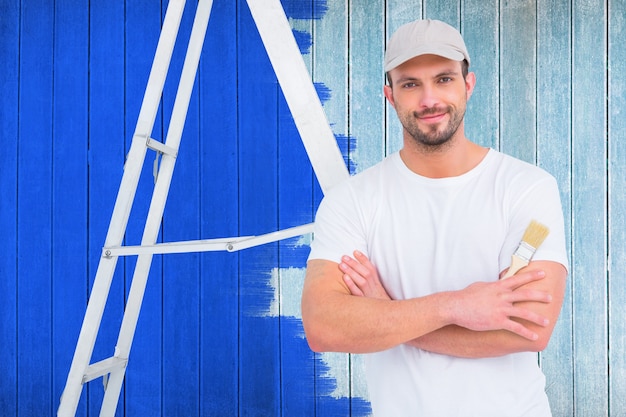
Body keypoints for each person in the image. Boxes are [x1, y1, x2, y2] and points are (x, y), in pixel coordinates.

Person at [300, 19, 568, 417]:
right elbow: (323, 327)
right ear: (390, 96)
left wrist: (386, 311)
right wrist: (456, 306)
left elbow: (532, 328)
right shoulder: (352, 201)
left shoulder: (526, 187)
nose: (429, 99)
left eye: (443, 79)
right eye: (410, 84)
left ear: (468, 85)